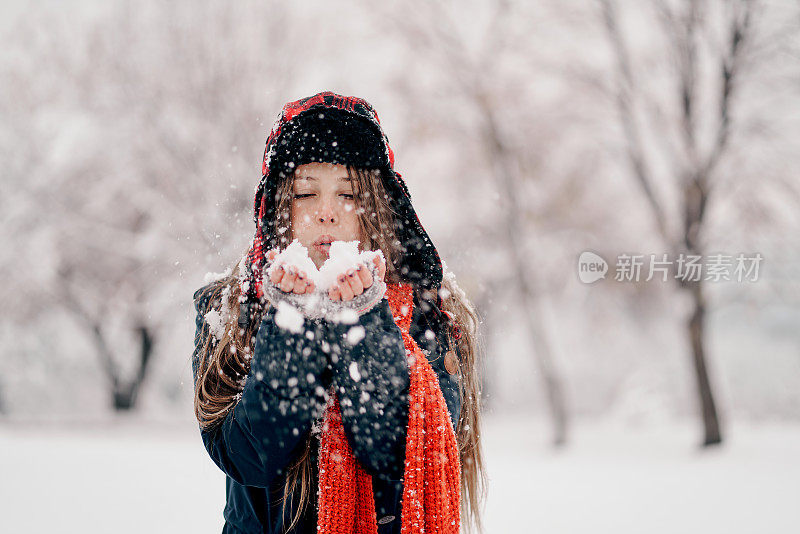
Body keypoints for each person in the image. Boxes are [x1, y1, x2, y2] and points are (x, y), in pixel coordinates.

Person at [191, 91, 485, 534]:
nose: (326, 213)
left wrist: (363, 320)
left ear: (376, 207)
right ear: (279, 208)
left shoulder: (429, 311)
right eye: (306, 193)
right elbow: (249, 456)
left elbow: (391, 451)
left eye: (347, 193)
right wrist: (290, 322)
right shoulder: (232, 307)